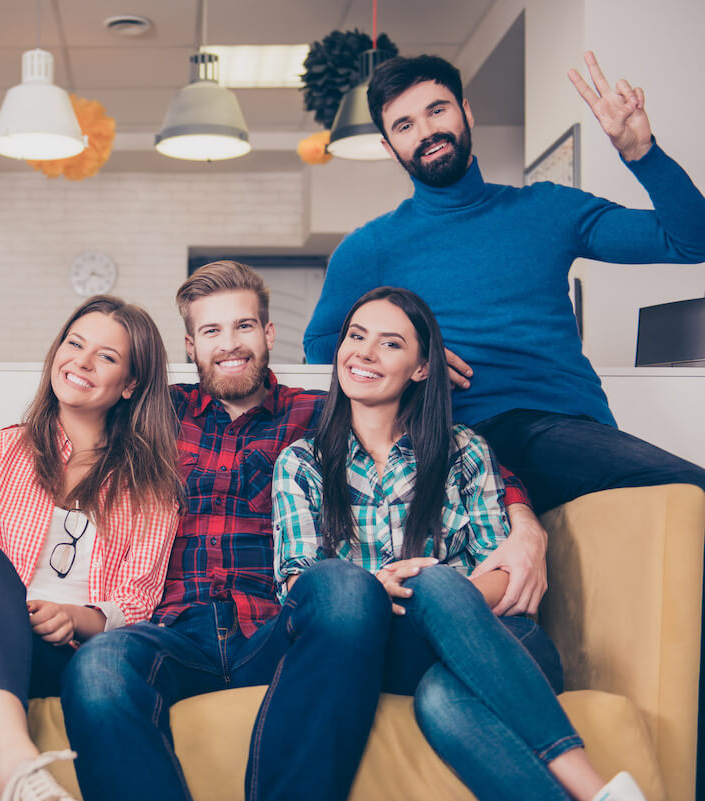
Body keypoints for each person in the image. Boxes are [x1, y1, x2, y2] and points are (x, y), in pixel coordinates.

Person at [61, 261, 535, 801]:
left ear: (268, 334)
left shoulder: (321, 415)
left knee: (340, 583)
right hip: (176, 630)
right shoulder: (154, 415)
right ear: (190, 346)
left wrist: (524, 523)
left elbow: (450, 452)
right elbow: (65, 421)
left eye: (243, 326)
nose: (229, 345)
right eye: (211, 331)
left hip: (277, 633)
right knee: (98, 666)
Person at [277, 286, 647, 801]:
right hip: (386, 651)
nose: (363, 352)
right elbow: (296, 584)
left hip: (499, 643)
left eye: (389, 343)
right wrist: (375, 590)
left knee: (441, 698)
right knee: (427, 584)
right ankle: (603, 791)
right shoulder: (302, 464)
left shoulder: (464, 450)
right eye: (356, 336)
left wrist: (441, 598)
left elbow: (505, 574)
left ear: (422, 369)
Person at [303, 51, 705, 516]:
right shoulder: (369, 246)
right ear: (389, 146)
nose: (427, 131)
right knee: (692, 490)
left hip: (567, 427)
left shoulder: (547, 209)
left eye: (437, 110)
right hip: (454, 443)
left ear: (466, 112)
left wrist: (641, 152)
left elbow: (690, 242)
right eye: (404, 125)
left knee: (686, 500)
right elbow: (318, 343)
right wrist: (417, 356)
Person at [0, 295, 181, 801]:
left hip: (51, 657)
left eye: (107, 357)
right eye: (75, 343)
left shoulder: (149, 488)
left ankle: (14, 768)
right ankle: (16, 764)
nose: (82, 362)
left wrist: (74, 617)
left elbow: (136, 608)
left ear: (131, 385)